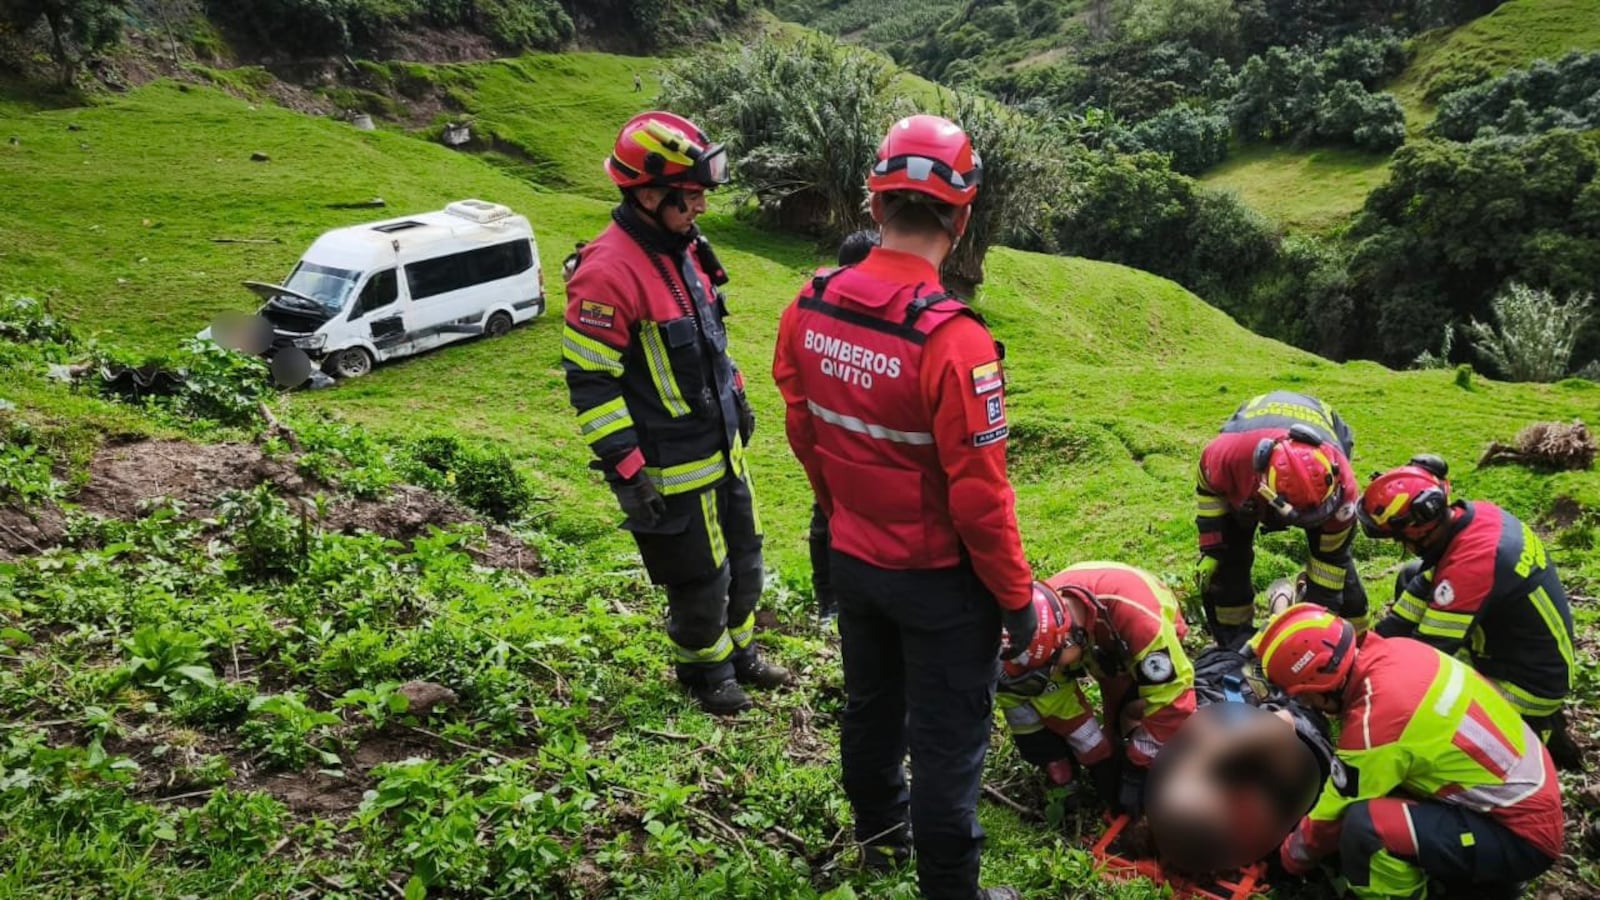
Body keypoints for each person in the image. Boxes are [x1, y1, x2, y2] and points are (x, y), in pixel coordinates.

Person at [773, 114, 1033, 900]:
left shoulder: (808, 307)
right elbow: (982, 498)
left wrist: (842, 512)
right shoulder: (955, 343)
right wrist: (1017, 600)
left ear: (875, 203)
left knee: (870, 711)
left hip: (854, 560)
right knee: (948, 748)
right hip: (941, 587)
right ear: (961, 216)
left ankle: (881, 846)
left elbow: (802, 429)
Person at [562, 111, 787, 716]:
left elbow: (713, 339)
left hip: (723, 449)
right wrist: (626, 468)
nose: (701, 211)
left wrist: (737, 397)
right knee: (699, 577)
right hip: (668, 463)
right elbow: (591, 382)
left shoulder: (686, 250)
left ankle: (739, 653)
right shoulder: (608, 272)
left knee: (746, 557)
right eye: (689, 200)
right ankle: (703, 673)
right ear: (648, 193)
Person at [1254, 605, 1564, 899]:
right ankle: (1481, 874)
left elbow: (1327, 819)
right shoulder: (1398, 651)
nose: (1310, 707)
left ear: (1322, 685)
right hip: (1527, 792)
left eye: (1307, 699)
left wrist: (1286, 862)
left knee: (1366, 827)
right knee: (1383, 792)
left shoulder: (1376, 723)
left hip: (1523, 837)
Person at [1358, 455, 1579, 768]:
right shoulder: (1474, 518)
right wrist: (1364, 647)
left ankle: (1529, 733)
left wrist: (1363, 685)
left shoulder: (1472, 567)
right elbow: (1412, 603)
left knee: (1425, 708)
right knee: (1411, 575)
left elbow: (1426, 660)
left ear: (1421, 527)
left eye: (1401, 538)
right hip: (1525, 651)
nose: (1404, 547)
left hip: (1529, 687)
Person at [996, 563, 1197, 818]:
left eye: (1051, 665)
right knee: (1113, 721)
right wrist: (1095, 751)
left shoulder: (1141, 626)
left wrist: (1137, 766)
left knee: (1137, 714)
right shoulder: (1039, 622)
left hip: (1139, 622)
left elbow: (1174, 703)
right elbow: (1055, 697)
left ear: (1069, 639)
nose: (1051, 672)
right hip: (1095, 638)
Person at [1194, 390, 1365, 649]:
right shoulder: (1227, 456)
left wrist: (1314, 631)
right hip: (1248, 452)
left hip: (1325, 428)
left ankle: (1358, 641)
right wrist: (1212, 545)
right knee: (1228, 564)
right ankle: (1232, 640)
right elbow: (1207, 489)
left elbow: (1330, 563)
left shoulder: (1345, 492)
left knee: (1336, 569)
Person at [808, 228, 880, 629]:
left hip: (878, 442)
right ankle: (828, 600)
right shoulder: (823, 315)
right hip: (834, 440)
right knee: (827, 521)